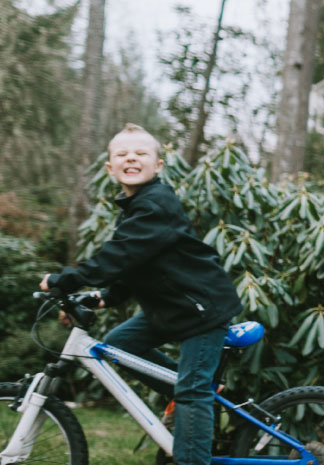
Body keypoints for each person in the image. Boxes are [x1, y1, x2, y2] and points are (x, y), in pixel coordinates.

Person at [39, 123, 244, 465]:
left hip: (201, 309)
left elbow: (119, 255)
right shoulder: (137, 206)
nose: (131, 157)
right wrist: (104, 297)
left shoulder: (155, 204)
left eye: (141, 153)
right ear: (110, 167)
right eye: (122, 154)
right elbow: (137, 262)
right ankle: (191, 391)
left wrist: (68, 280)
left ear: (158, 165)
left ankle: (192, 432)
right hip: (173, 307)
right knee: (117, 346)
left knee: (192, 392)